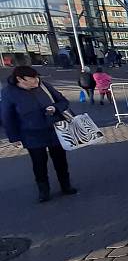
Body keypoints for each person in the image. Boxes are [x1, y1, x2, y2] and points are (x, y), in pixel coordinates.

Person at [1, 66, 78, 202]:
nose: (36, 81)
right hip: (31, 134)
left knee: (60, 160)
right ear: (20, 79)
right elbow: (7, 116)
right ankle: (43, 191)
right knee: (39, 163)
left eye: (37, 77)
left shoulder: (44, 86)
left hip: (55, 130)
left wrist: (55, 107)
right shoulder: (9, 92)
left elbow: (63, 101)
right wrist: (14, 137)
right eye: (32, 79)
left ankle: (66, 185)